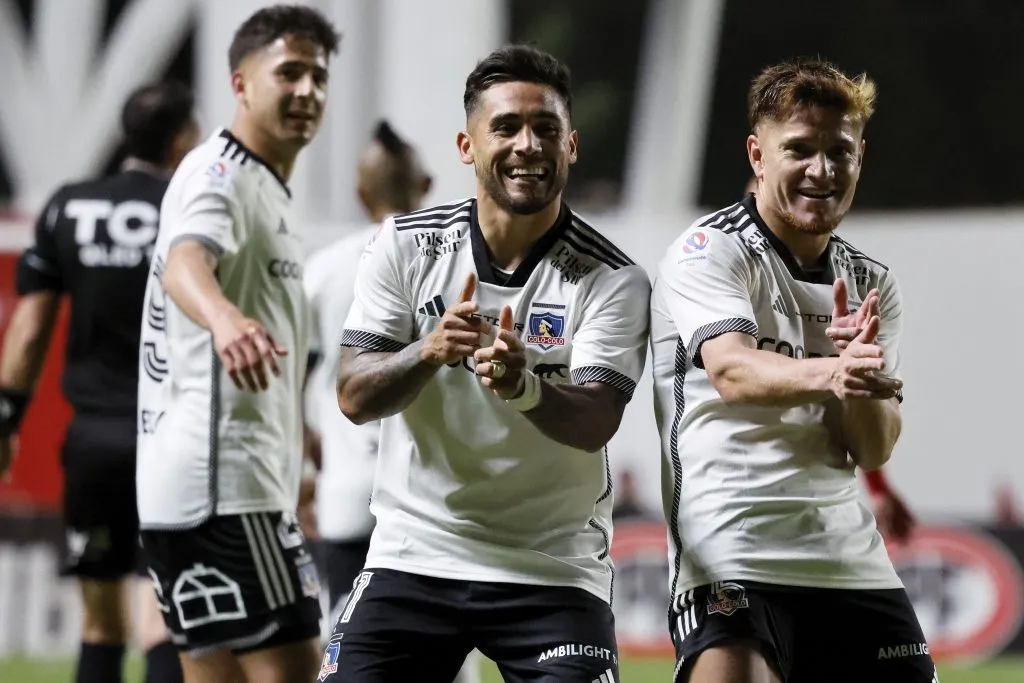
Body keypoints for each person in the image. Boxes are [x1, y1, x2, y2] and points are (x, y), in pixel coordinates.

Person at [324, 44, 650, 683]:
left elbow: (594, 421)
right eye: (505, 127)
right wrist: (429, 349)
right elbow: (354, 396)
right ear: (467, 146)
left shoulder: (613, 279)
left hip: (552, 567)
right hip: (415, 555)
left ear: (572, 146)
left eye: (545, 129)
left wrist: (526, 387)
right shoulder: (405, 247)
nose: (527, 144)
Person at [650, 59, 936, 682]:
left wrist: (857, 386)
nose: (822, 170)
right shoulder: (711, 250)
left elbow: (873, 446)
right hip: (730, 550)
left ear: (861, 156)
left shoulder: (871, 282)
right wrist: (833, 372)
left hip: (848, 560)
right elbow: (731, 371)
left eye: (841, 151)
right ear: (757, 155)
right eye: (799, 149)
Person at [134, 6, 340, 683]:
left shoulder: (266, 186)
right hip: (227, 490)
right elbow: (184, 260)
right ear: (241, 82)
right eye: (289, 72)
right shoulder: (218, 173)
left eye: (318, 75)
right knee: (297, 671)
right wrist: (223, 318)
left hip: (194, 487)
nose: (307, 89)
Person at [0, 82, 197, 683]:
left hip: (93, 445)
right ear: (184, 137)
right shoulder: (193, 208)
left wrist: (7, 419)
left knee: (99, 622)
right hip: (170, 438)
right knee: (163, 617)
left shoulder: (69, 206)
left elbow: (30, 329)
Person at [741, 175, 916, 544]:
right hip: (739, 503)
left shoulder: (839, 294)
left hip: (815, 508)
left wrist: (879, 486)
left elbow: (840, 402)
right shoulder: (727, 280)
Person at [304, 119, 432, 619]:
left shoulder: (324, 271)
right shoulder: (452, 265)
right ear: (426, 186)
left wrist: (306, 466)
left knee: (351, 648)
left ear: (360, 193)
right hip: (432, 497)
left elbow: (294, 385)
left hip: (348, 488)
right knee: (443, 652)